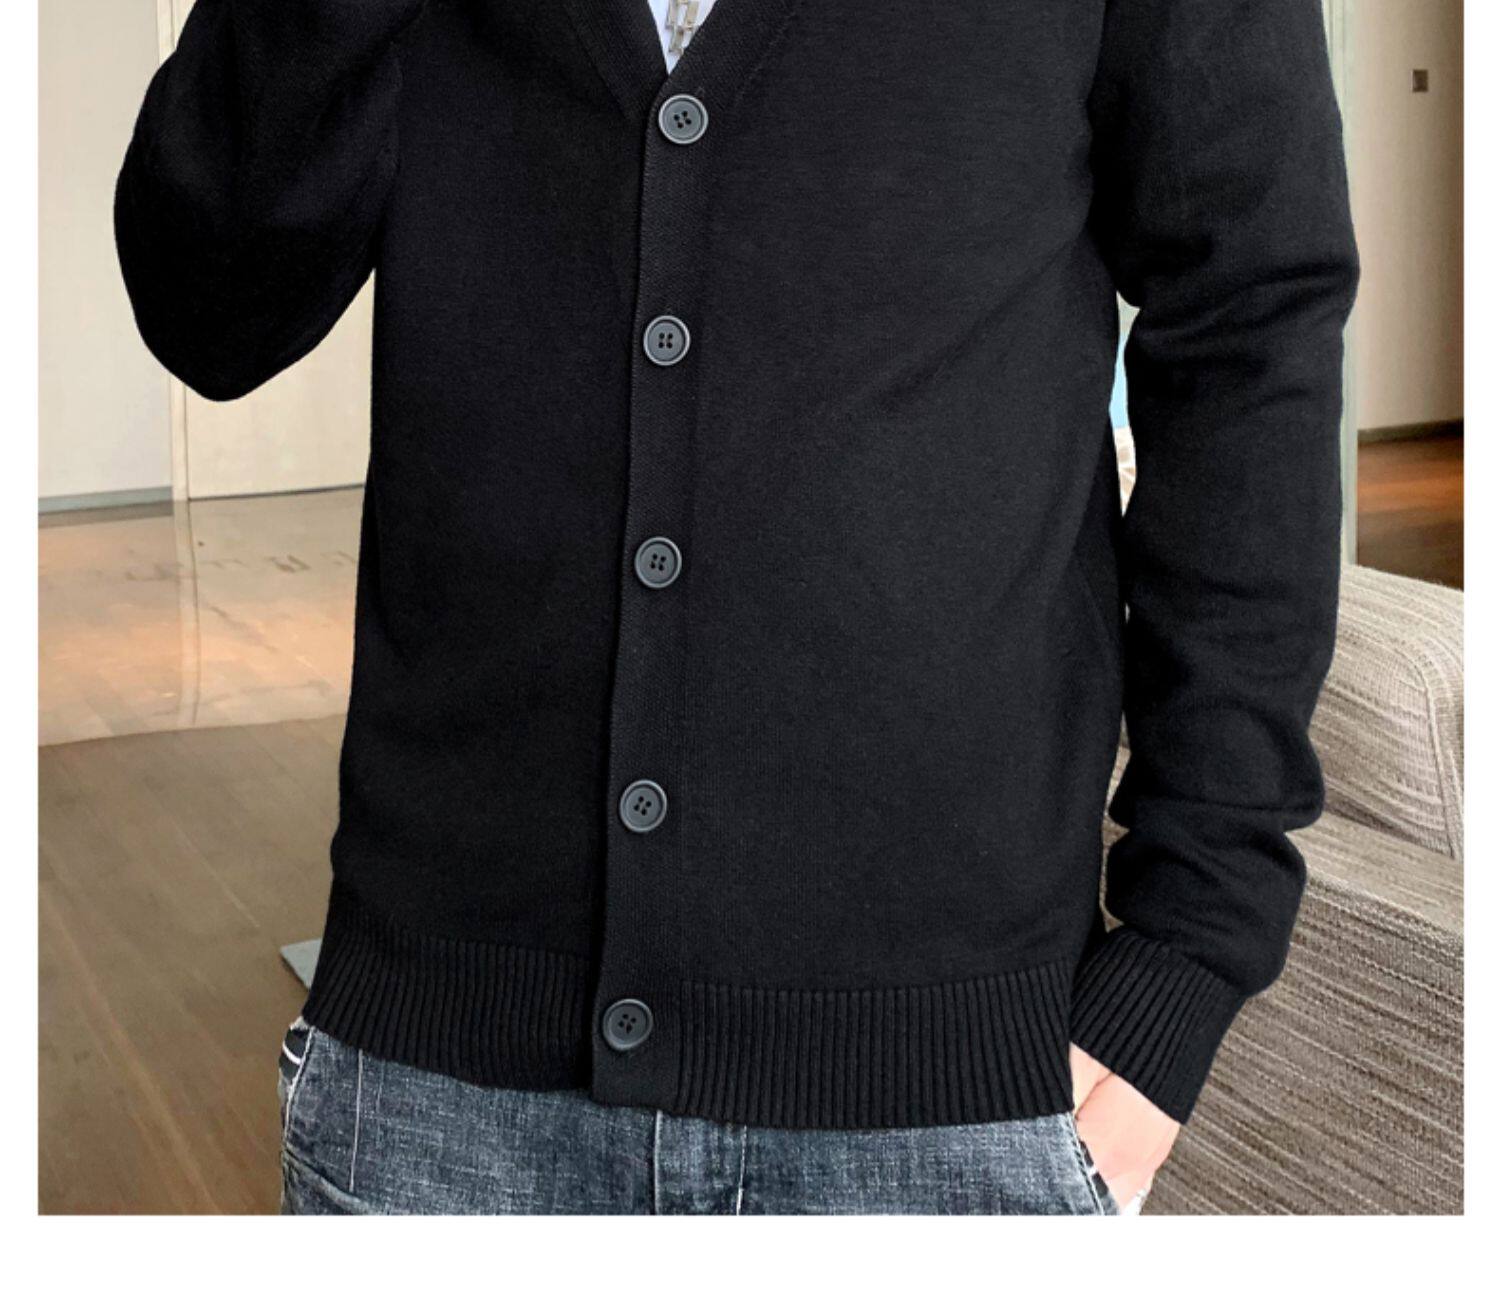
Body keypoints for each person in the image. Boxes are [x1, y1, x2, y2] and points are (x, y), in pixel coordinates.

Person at [115, 0, 1359, 1215]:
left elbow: (1251, 316)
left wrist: (1193, 937)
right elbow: (206, 316)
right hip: (443, 1081)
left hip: (954, 1093)